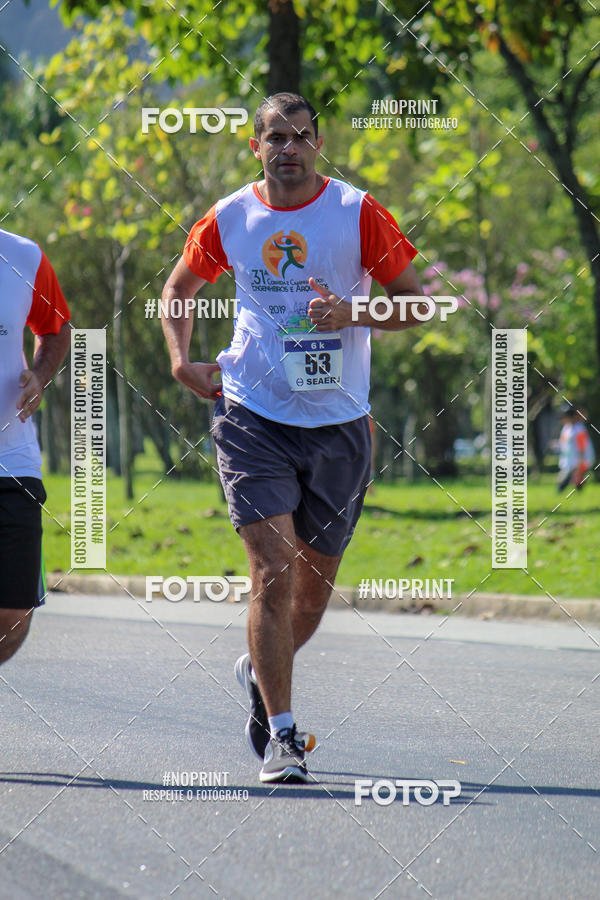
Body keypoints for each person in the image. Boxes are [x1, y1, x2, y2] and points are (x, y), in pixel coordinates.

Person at [162, 92, 426, 783]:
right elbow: (177, 292)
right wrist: (179, 360)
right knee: (272, 576)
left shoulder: (357, 213)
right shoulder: (231, 216)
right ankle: (284, 738)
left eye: (300, 136)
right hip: (252, 414)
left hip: (339, 424)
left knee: (312, 594)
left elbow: (419, 303)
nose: (288, 148)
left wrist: (352, 310)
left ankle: (260, 666)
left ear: (318, 143)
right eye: (274, 137)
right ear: (255, 146)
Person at [0, 229, 71, 664]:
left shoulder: (23, 256)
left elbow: (57, 328)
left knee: (13, 615)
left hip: (13, 459)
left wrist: (39, 377)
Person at [557, 402, 595, 491]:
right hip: (569, 459)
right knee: (572, 478)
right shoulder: (566, 428)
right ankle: (575, 491)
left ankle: (563, 492)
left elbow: (582, 447)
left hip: (578, 459)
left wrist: (580, 462)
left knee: (573, 478)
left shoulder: (579, 429)